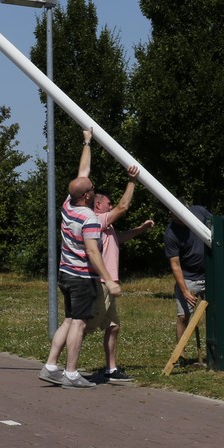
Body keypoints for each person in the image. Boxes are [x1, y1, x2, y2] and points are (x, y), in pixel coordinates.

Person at [38, 130, 131, 389]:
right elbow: (92, 252)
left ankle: (51, 366)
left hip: (65, 274)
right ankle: (71, 373)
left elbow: (83, 172)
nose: (93, 187)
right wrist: (109, 280)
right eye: (91, 188)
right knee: (78, 323)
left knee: (69, 320)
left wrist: (87, 141)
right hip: (81, 278)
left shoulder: (68, 205)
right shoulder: (89, 219)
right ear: (88, 196)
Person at [77, 131, 151, 384]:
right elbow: (123, 207)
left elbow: (118, 239)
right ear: (98, 205)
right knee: (83, 327)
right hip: (100, 284)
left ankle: (111, 369)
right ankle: (67, 367)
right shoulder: (97, 219)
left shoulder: (107, 228)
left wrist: (140, 230)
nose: (110, 206)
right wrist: (132, 181)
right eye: (107, 203)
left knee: (113, 326)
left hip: (108, 284)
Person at [164, 204, 210, 365]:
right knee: (183, 316)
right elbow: (175, 264)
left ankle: (215, 353)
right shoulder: (171, 234)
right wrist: (184, 291)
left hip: (209, 274)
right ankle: (181, 355)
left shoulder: (200, 212)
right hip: (188, 277)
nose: (180, 219)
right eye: (175, 215)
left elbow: (215, 231)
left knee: (215, 314)